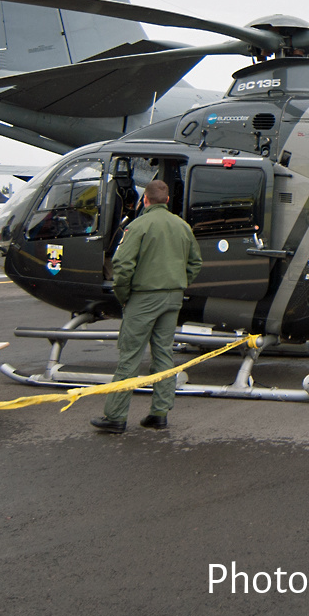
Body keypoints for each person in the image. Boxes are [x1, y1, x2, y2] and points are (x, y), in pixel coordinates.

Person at [91, 179, 203, 434]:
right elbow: (195, 263)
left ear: (145, 200)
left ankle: (116, 416)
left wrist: (124, 295)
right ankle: (159, 412)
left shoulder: (138, 225)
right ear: (166, 201)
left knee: (129, 357)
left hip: (144, 298)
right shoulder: (182, 226)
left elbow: (122, 264)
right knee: (164, 353)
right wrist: (179, 283)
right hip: (173, 297)